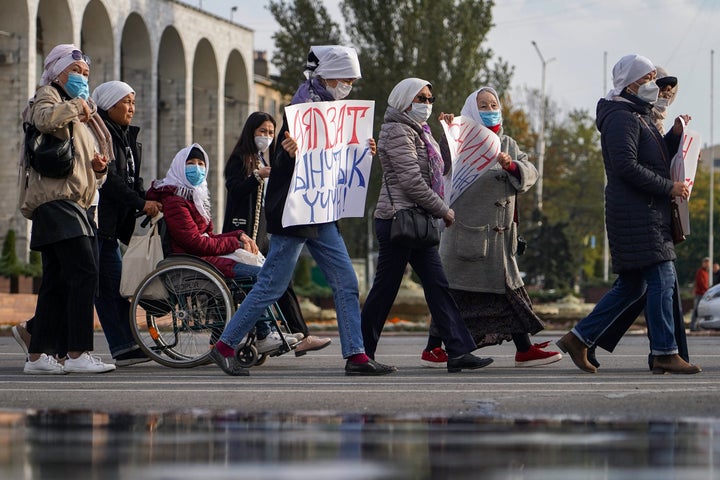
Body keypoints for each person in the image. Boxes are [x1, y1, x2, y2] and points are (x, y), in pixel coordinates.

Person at [210, 45, 395, 376]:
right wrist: (289, 153)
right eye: (347, 77)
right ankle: (224, 346)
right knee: (271, 285)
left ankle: (356, 355)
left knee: (346, 280)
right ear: (327, 75)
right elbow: (284, 163)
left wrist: (362, 151)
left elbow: (335, 162)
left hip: (321, 213)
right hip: (295, 213)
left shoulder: (335, 113)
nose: (350, 83)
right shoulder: (302, 110)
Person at [556, 54, 701, 374]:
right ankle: (664, 352)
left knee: (633, 286)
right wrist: (669, 188)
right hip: (636, 213)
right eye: (649, 78)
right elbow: (626, 167)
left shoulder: (638, 114)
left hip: (644, 213)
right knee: (662, 278)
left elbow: (652, 155)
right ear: (632, 83)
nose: (655, 85)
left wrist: (674, 137)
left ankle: (579, 338)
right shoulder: (621, 117)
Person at [360, 77, 494, 374]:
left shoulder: (420, 131)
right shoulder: (396, 130)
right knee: (385, 290)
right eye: (421, 98)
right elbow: (410, 181)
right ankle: (359, 354)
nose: (427, 105)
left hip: (418, 221)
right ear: (404, 100)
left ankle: (458, 351)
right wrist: (443, 210)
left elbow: (442, 168)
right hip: (399, 221)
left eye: (430, 99)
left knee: (438, 287)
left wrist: (449, 135)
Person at [436, 86, 562, 368]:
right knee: (456, 295)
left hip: (501, 240)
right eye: (483, 104)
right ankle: (435, 347)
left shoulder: (507, 143)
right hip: (468, 237)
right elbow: (441, 168)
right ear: (471, 109)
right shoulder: (460, 140)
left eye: (494, 104)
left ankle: (524, 349)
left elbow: (530, 172)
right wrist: (447, 133)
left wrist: (513, 167)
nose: (490, 108)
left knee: (507, 294)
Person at [18, 44, 115, 374]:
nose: (82, 79)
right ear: (57, 71)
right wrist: (77, 105)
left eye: (86, 73)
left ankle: (38, 356)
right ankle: (77, 353)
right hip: (55, 201)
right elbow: (44, 121)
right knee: (85, 273)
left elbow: (87, 172)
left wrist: (99, 168)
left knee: (57, 281)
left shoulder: (80, 116)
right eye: (76, 72)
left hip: (74, 203)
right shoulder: (49, 95)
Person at [146, 144, 296, 356]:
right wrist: (235, 243)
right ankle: (264, 334)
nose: (196, 168)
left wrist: (237, 235)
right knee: (260, 276)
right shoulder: (175, 201)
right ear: (180, 167)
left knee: (261, 272)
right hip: (194, 260)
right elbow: (196, 242)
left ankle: (266, 332)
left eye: (200, 164)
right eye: (191, 164)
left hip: (204, 258)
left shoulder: (193, 197)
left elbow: (209, 237)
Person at [223, 111, 332, 356]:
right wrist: (256, 176)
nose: (267, 136)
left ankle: (300, 335)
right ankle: (228, 338)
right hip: (240, 235)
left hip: (262, 235)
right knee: (262, 283)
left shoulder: (267, 158)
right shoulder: (241, 159)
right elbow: (235, 190)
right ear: (251, 132)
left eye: (271, 132)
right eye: (262, 131)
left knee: (281, 281)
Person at [91, 80, 163, 366]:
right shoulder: (100, 135)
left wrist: (153, 199)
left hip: (110, 227)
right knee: (95, 288)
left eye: (133, 102)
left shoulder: (125, 137)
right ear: (109, 105)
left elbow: (133, 182)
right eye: (126, 102)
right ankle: (34, 330)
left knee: (113, 287)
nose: (132, 108)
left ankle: (124, 346)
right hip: (96, 221)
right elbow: (109, 181)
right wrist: (140, 203)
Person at [689, 257, 710, 331]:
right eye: (706, 263)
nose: (707, 264)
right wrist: (707, 290)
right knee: (696, 310)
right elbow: (701, 283)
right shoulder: (700, 271)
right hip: (700, 294)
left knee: (701, 311)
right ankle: (692, 326)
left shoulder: (706, 272)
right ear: (703, 263)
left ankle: (698, 325)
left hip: (704, 294)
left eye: (708, 263)